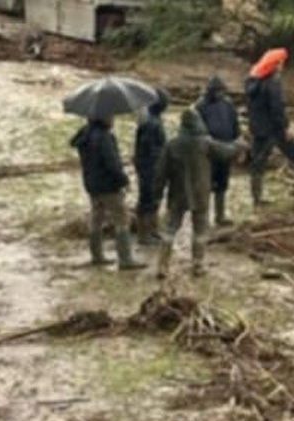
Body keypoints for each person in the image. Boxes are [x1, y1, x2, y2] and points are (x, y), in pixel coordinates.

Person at [153, 108, 244, 279]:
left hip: (177, 193)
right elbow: (226, 152)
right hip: (201, 192)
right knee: (200, 229)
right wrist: (239, 145)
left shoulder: (172, 145)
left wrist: (157, 194)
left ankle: (163, 266)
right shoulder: (205, 143)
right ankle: (198, 265)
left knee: (169, 229)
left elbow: (161, 173)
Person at [244, 47, 294, 206]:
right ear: (276, 64)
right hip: (275, 130)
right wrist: (285, 128)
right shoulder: (273, 83)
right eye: (281, 63)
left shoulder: (252, 81)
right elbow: (277, 108)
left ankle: (256, 198)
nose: (282, 66)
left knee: (258, 164)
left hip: (258, 129)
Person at [70, 115, 144, 270]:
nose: (113, 119)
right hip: (108, 186)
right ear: (103, 118)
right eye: (111, 116)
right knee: (122, 218)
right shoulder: (104, 138)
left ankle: (97, 255)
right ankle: (125, 258)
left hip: (92, 184)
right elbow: (112, 164)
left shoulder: (84, 135)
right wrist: (124, 180)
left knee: (96, 218)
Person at [196, 75, 240, 226]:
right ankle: (204, 218)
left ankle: (220, 216)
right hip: (208, 151)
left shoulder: (228, 104)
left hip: (226, 149)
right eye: (217, 91)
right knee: (205, 185)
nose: (220, 94)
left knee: (222, 184)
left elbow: (235, 124)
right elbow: (195, 129)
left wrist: (236, 144)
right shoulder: (200, 106)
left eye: (222, 91)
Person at [133, 90, 169, 246]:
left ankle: (152, 230)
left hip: (150, 165)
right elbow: (149, 147)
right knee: (147, 199)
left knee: (154, 198)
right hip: (149, 166)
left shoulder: (152, 120)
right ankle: (144, 234)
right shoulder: (151, 123)